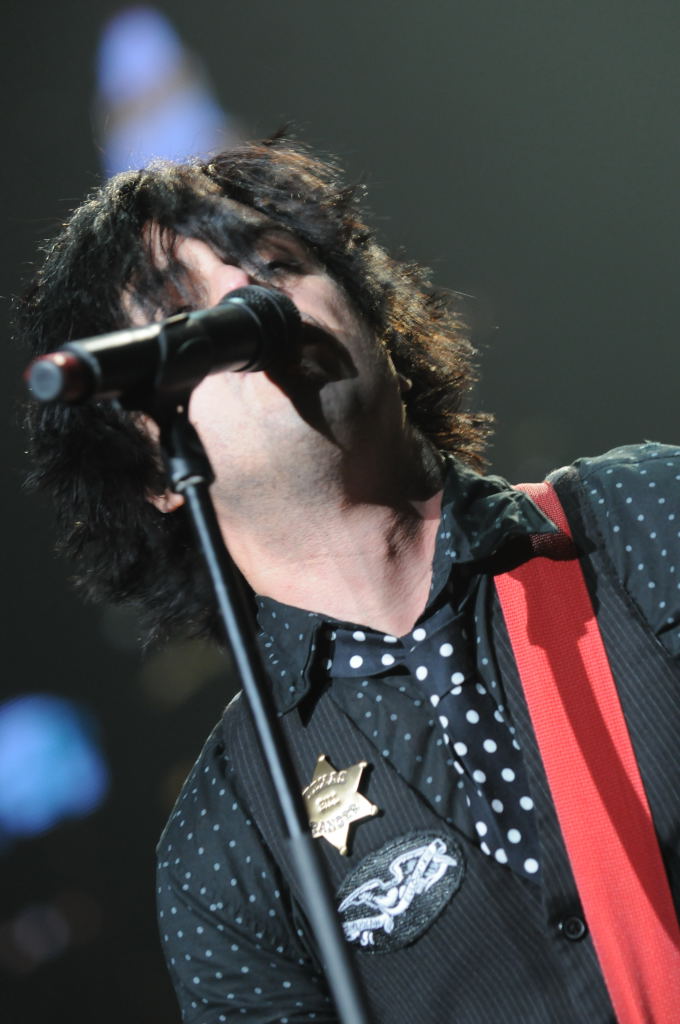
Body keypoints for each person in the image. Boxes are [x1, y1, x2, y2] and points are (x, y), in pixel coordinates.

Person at [20, 137, 680, 1023]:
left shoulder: (648, 520)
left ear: (379, 330)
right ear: (149, 466)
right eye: (181, 313)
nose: (247, 295)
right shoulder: (224, 846)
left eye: (275, 264)